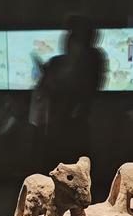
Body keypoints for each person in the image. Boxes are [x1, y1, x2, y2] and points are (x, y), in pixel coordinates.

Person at [31, 15, 107, 171]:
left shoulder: (92, 60)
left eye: (74, 37)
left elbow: (81, 91)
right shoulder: (58, 62)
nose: (66, 41)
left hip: (71, 128)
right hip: (55, 127)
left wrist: (48, 76)